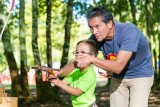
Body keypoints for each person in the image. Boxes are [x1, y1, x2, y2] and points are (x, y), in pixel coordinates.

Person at [55, 7, 154, 107]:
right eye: (91, 27)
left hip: (140, 74)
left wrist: (91, 59)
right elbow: (79, 59)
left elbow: (118, 67)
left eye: (97, 26)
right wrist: (59, 72)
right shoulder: (96, 38)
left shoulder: (129, 31)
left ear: (110, 23)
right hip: (118, 77)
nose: (94, 32)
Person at [49, 39, 98, 107]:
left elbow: (76, 92)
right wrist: (54, 79)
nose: (78, 55)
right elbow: (63, 83)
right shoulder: (75, 71)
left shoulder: (90, 74)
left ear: (92, 56)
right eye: (77, 52)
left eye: (82, 52)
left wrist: (59, 83)